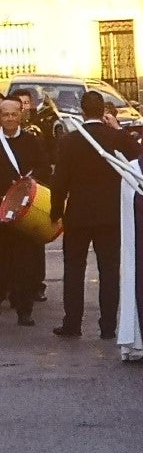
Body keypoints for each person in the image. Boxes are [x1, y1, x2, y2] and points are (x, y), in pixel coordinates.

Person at [48, 91, 138, 339]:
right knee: (109, 270)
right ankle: (108, 325)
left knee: (74, 270)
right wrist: (117, 128)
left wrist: (56, 211)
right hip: (110, 215)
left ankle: (72, 323)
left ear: (82, 110)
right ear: (104, 111)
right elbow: (138, 154)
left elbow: (60, 181)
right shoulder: (114, 137)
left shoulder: (69, 141)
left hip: (78, 214)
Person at [0, 96, 49, 325]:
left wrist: (29, 180)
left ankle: (24, 309)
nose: (9, 118)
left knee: (25, 261)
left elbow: (45, 168)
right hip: (1, 211)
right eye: (5, 114)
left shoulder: (32, 140)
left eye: (13, 114)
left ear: (21, 115)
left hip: (25, 213)